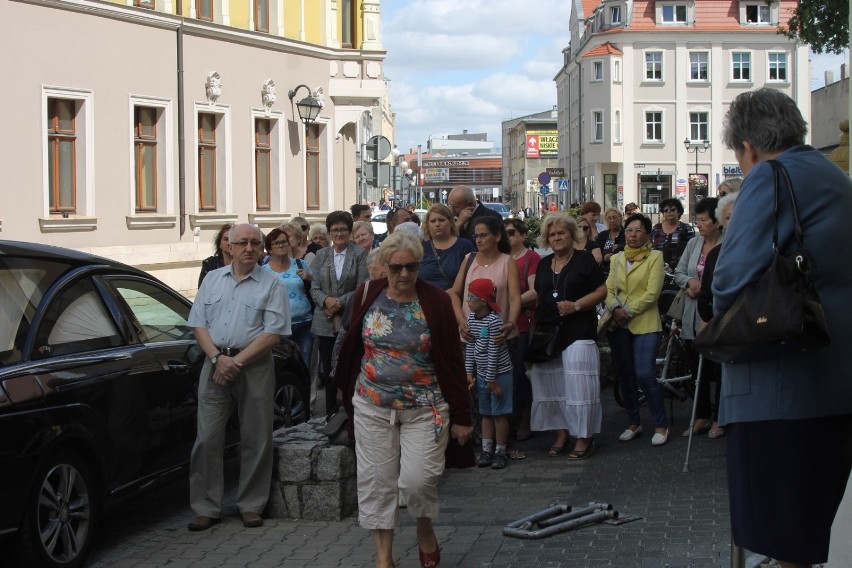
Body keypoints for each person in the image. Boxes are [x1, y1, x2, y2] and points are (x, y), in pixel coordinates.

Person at [712, 88, 852, 568]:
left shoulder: (770, 176)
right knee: (803, 542)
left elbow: (728, 280)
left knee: (780, 544)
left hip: (778, 390)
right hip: (836, 385)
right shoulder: (834, 176)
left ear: (748, 146)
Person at [334, 232, 474, 568]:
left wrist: (462, 415)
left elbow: (453, 361)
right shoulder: (367, 294)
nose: (404, 274)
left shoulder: (437, 301)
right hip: (372, 404)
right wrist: (342, 388)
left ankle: (424, 527)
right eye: (396, 268)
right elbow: (353, 344)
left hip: (425, 407)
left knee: (417, 481)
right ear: (383, 266)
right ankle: (385, 558)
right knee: (377, 483)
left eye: (411, 266)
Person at [186, 223, 291, 531]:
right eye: (242, 242)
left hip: (254, 365)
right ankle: (206, 507)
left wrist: (236, 362)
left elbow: (274, 333)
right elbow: (198, 324)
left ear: (262, 249)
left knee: (256, 436)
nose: (249, 248)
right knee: (207, 439)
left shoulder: (272, 284)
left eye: (255, 243)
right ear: (228, 247)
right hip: (215, 362)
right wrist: (218, 359)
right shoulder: (212, 280)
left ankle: (250, 505)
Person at [529, 212, 607, 459]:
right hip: (548, 333)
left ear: (572, 234)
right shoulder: (544, 263)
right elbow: (539, 295)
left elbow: (602, 291)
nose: (556, 237)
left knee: (579, 387)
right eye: (552, 234)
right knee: (551, 387)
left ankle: (584, 437)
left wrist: (575, 305)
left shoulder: (584, 260)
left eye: (561, 232)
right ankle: (561, 433)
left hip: (579, 331)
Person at [605, 214, 668, 446]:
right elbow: (609, 289)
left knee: (644, 374)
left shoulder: (655, 257)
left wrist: (627, 311)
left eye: (638, 230)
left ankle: (660, 424)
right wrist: (614, 308)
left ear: (647, 234)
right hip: (618, 325)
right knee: (625, 375)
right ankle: (633, 422)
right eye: (629, 230)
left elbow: (652, 294)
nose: (632, 234)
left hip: (645, 324)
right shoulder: (617, 259)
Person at [310, 211, 369, 416]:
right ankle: (329, 416)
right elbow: (314, 287)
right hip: (324, 320)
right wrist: (326, 301)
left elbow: (362, 286)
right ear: (329, 232)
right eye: (335, 229)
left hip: (349, 318)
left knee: (349, 368)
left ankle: (350, 417)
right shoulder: (321, 255)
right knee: (328, 372)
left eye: (343, 229)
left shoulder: (359, 254)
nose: (339, 233)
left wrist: (338, 303)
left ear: (350, 231)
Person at [673, 197, 722, 438]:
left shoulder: (728, 243)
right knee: (696, 369)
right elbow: (679, 272)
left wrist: (708, 288)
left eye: (703, 220)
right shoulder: (693, 244)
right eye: (698, 219)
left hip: (718, 317)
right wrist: (690, 282)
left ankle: (720, 418)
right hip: (692, 315)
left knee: (719, 369)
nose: (699, 224)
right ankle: (701, 415)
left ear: (717, 221)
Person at [465, 278, 514, 470]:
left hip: (498, 374)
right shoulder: (471, 318)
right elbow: (470, 345)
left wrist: (491, 380)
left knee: (499, 413)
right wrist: (469, 371)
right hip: (484, 374)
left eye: (471, 297)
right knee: (485, 412)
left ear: (483, 300)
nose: (468, 301)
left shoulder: (494, 321)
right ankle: (486, 449)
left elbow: (494, 352)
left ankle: (500, 451)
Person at [449, 216, 521, 346]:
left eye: (483, 235)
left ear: (497, 236)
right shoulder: (469, 259)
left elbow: (515, 297)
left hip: (499, 338)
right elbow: (454, 292)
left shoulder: (508, 262)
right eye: (476, 236)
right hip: (470, 338)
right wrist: (460, 320)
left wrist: (511, 323)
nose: (478, 240)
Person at [503, 218, 540, 442]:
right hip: (501, 325)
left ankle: (525, 419)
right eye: (505, 233)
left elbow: (534, 292)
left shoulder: (530, 258)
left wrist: (509, 305)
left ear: (523, 235)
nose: (508, 237)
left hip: (523, 325)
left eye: (512, 233)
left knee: (521, 375)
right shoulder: (500, 258)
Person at [263, 226, 314, 367]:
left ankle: (304, 390)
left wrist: (309, 277)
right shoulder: (264, 271)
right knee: (283, 366)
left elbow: (315, 287)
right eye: (277, 243)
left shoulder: (300, 264)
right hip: (278, 327)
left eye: (284, 242)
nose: (281, 245)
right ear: (270, 249)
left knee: (305, 365)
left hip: (305, 324)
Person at [419, 204, 477, 290]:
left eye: (441, 220)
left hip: (454, 301)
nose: (437, 224)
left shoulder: (465, 246)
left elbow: (474, 276)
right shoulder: (421, 248)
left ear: (450, 222)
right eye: (433, 221)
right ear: (427, 224)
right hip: (425, 300)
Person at [650, 198, 695, 271]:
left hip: (679, 268)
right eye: (666, 210)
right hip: (656, 267)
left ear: (679, 212)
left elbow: (688, 250)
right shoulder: (656, 228)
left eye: (673, 210)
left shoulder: (686, 228)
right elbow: (650, 246)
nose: (669, 212)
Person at [596, 208, 625, 275]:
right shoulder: (602, 235)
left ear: (620, 218)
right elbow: (596, 252)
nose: (612, 220)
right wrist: (604, 258)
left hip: (621, 270)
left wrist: (619, 246)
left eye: (614, 217)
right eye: (609, 218)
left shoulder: (626, 233)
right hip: (604, 271)